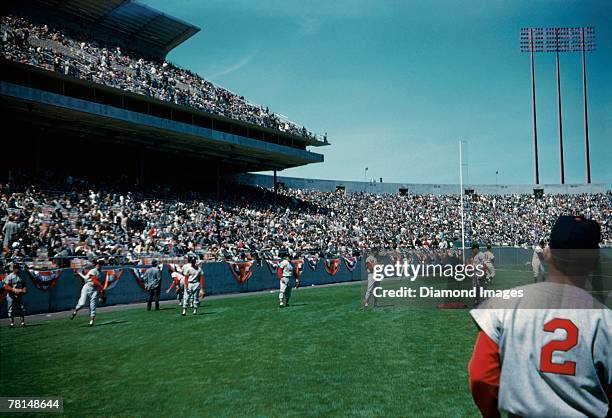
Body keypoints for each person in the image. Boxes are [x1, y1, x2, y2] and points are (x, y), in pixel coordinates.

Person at [468, 216, 611, 417]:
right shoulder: (606, 321)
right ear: (596, 261)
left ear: (547, 253)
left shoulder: (505, 303)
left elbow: (481, 376)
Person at [71, 259, 105, 326]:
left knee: (93, 305)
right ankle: (75, 311)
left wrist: (101, 294)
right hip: (87, 287)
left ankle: (91, 321)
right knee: (82, 303)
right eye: (97, 264)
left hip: (94, 289)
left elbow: (98, 284)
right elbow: (94, 280)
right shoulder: (93, 270)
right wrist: (102, 288)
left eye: (100, 264)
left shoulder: (101, 273)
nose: (98, 266)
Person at [4, 263, 27, 328]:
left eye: (18, 268)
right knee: (10, 309)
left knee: (21, 308)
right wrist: (14, 290)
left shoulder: (21, 276)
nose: (17, 269)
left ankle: (22, 323)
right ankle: (12, 324)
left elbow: (24, 284)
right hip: (11, 295)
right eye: (16, 268)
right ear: (13, 269)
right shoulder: (10, 276)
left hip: (19, 295)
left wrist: (24, 289)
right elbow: (6, 287)